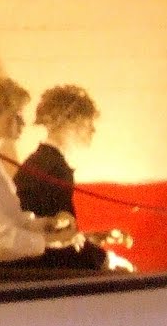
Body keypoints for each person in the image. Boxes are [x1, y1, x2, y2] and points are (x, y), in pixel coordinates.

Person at [0, 77, 87, 266]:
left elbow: (12, 221)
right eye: (16, 114)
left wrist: (48, 224)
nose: (23, 122)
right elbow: (0, 239)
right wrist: (50, 241)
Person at [14, 84, 112, 270]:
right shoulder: (55, 168)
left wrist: (92, 238)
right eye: (88, 123)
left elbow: (55, 230)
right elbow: (58, 239)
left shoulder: (39, 161)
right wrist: (105, 259)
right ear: (70, 123)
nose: (93, 130)